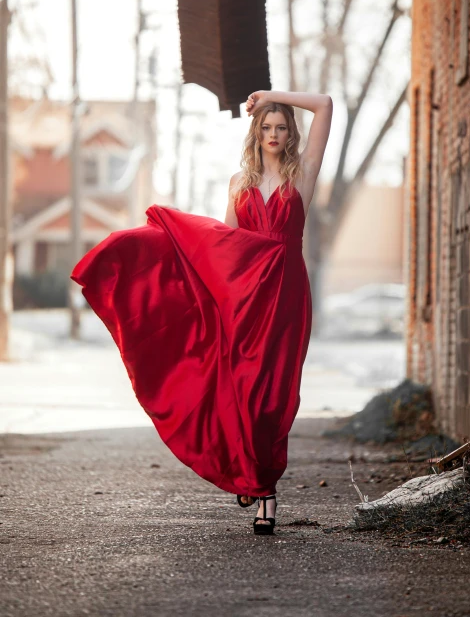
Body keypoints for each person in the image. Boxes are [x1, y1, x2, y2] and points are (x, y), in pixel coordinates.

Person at [70, 89, 332, 536]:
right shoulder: (239, 183)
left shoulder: (303, 173)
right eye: (266, 127)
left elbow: (324, 103)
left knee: (274, 397)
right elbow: (225, 246)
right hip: (245, 299)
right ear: (256, 133)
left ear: (291, 134)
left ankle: (260, 480)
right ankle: (260, 487)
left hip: (286, 297)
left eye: (281, 127)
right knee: (243, 387)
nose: (273, 134)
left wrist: (269, 95)